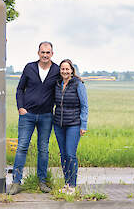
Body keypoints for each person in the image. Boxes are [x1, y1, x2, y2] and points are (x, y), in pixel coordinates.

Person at [8, 41, 60, 195]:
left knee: (43, 149)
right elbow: (19, 89)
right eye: (42, 52)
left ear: (52, 54)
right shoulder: (29, 67)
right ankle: (16, 182)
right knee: (22, 147)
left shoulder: (57, 70)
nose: (45, 55)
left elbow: (65, 85)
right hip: (27, 115)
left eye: (48, 52)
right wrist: (20, 107)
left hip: (46, 116)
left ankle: (42, 182)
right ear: (38, 53)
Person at [53, 59, 88, 194]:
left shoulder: (78, 84)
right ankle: (66, 184)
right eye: (62, 69)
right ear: (60, 70)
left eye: (67, 69)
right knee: (63, 155)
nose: (65, 71)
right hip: (58, 125)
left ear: (72, 70)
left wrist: (83, 125)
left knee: (70, 154)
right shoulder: (57, 84)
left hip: (74, 124)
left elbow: (84, 106)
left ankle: (72, 186)